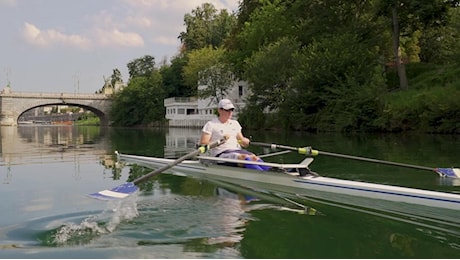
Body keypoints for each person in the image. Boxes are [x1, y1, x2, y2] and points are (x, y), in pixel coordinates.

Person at [199, 98, 269, 171]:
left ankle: (270, 171)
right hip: (221, 154)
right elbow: (203, 143)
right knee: (244, 157)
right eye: (227, 110)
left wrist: (245, 141)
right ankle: (263, 175)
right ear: (219, 110)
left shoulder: (235, 123)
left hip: (236, 151)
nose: (230, 112)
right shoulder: (211, 124)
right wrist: (220, 141)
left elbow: (241, 141)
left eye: (231, 110)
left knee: (254, 157)